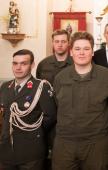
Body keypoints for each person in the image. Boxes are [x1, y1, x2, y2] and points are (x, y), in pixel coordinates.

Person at [52, 31, 108, 170]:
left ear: (92, 52)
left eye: (86, 49)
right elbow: (56, 106)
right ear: (71, 52)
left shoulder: (106, 76)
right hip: (65, 143)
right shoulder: (60, 77)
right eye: (77, 49)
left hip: (96, 142)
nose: (82, 53)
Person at [0, 49, 57, 170]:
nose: (18, 67)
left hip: (31, 148)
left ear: (32, 65)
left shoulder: (41, 87)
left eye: (23, 63)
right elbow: (6, 115)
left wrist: (34, 133)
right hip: (7, 148)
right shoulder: (5, 87)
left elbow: (50, 117)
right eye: (15, 63)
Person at [36, 29, 74, 169]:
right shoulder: (43, 64)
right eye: (57, 41)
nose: (60, 45)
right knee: (48, 152)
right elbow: (38, 89)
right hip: (48, 115)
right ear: (52, 43)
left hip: (69, 114)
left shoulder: (75, 63)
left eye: (63, 41)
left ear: (68, 43)